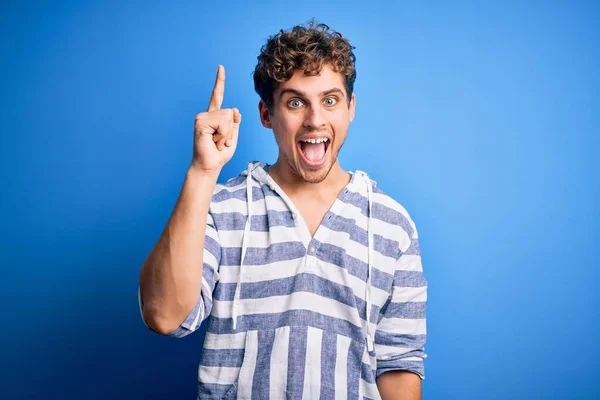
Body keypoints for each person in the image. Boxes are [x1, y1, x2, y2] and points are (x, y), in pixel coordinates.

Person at [138, 21, 428, 400]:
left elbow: (399, 364)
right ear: (266, 113)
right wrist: (202, 172)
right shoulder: (222, 208)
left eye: (330, 100)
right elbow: (163, 315)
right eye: (295, 102)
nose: (315, 119)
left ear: (350, 108)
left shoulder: (393, 226)